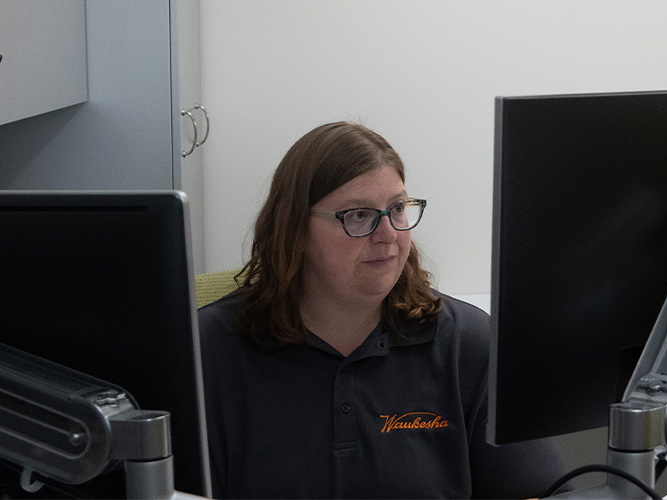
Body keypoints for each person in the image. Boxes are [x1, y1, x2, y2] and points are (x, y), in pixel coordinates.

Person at [198, 121, 566, 499]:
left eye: (397, 209)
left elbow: (544, 492)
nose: (388, 234)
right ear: (295, 230)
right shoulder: (209, 351)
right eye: (359, 215)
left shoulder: (467, 344)